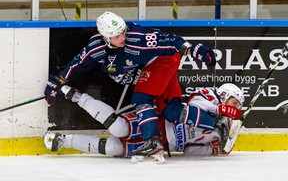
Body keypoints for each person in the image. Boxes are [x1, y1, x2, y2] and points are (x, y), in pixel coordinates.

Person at [44, 11, 217, 161]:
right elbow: (79, 63)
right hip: (157, 69)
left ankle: (152, 142)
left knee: (141, 98)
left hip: (162, 62)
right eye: (116, 36)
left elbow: (171, 40)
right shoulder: (96, 47)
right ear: (105, 37)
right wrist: (58, 81)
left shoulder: (136, 37)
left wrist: (195, 50)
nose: (122, 38)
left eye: (123, 32)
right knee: (172, 111)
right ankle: (218, 123)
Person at [44, 83, 244, 162]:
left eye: (237, 107)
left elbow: (190, 151)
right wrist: (220, 111)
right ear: (226, 95)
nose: (234, 110)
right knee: (119, 127)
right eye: (233, 103)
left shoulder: (220, 132)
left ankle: (64, 140)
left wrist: (215, 149)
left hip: (161, 145)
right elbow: (194, 104)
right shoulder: (211, 96)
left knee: (114, 148)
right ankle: (78, 97)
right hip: (155, 124)